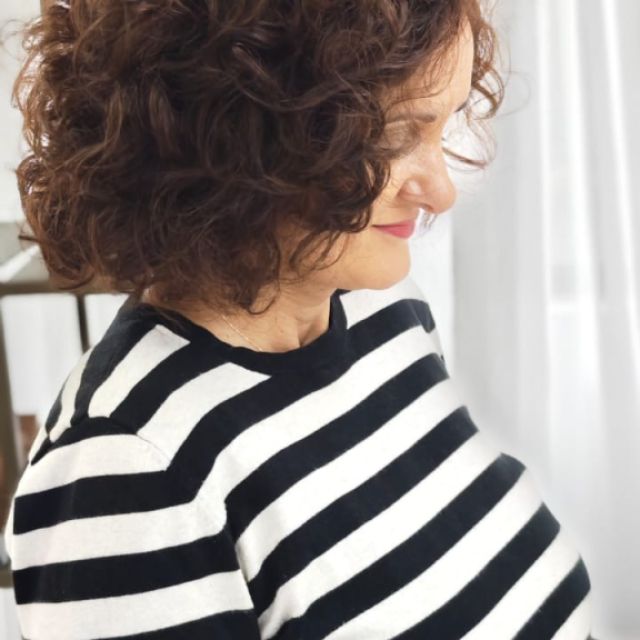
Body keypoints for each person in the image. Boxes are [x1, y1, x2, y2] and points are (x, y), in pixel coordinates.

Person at [5, 0, 594, 638]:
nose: (442, 192)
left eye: (443, 127)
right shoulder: (127, 466)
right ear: (239, 139)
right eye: (396, 137)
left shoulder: (382, 309)